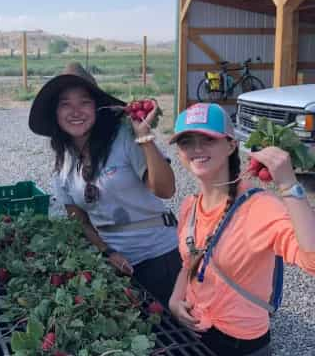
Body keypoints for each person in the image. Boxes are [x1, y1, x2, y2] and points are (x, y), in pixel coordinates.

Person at [28, 62, 181, 307]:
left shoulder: (124, 138)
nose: (75, 111)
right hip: (117, 265)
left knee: (178, 335)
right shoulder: (63, 162)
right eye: (65, 104)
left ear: (97, 107)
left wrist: (145, 136)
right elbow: (78, 220)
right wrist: (106, 252)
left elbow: (166, 189)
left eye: (84, 102)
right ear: (55, 114)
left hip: (160, 255)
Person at [168, 103, 315, 356]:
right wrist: (174, 300)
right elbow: (188, 261)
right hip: (194, 327)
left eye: (207, 139)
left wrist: (289, 185)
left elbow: (311, 260)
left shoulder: (260, 207)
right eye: (186, 142)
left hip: (241, 343)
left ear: (231, 144)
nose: (196, 149)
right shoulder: (189, 205)